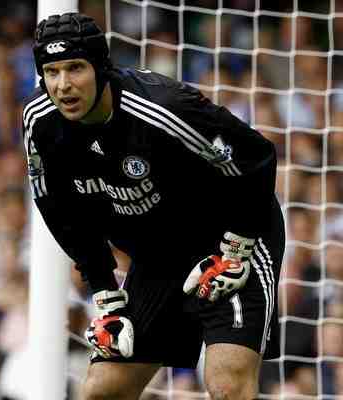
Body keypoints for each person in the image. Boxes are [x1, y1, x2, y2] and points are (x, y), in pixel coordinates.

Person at [23, 12, 285, 400]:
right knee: (102, 390)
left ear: (100, 67)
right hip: (157, 257)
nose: (63, 85)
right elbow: (60, 212)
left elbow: (256, 156)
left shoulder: (162, 107)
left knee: (228, 385)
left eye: (75, 68)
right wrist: (105, 292)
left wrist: (237, 246)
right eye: (52, 72)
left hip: (226, 238)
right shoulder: (40, 122)